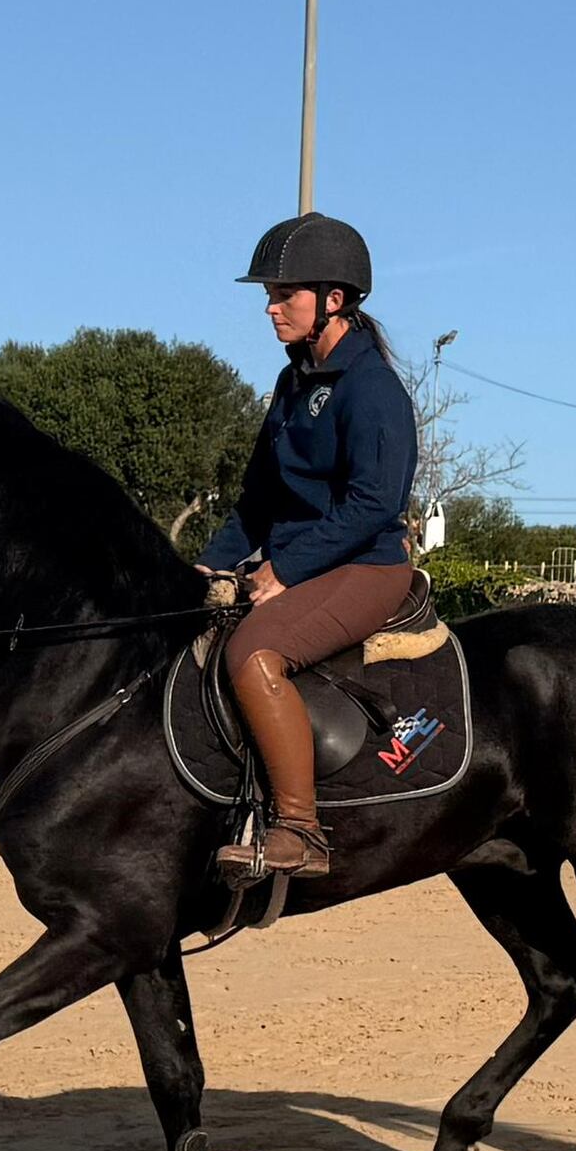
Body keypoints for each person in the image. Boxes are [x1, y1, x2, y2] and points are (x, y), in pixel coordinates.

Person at [196, 212, 423, 881]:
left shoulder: (372, 389)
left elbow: (375, 504)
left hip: (366, 565)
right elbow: (257, 501)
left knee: (254, 652)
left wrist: (285, 569)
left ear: (334, 299)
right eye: (267, 294)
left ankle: (300, 831)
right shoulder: (294, 385)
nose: (269, 308)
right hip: (299, 565)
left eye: (283, 294)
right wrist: (209, 564)